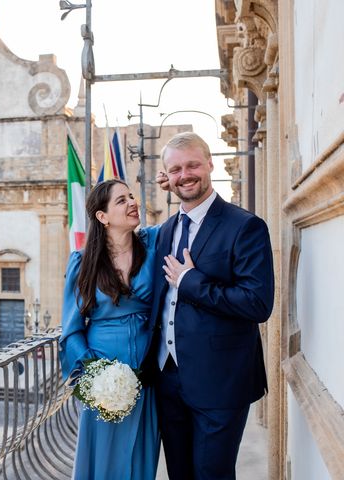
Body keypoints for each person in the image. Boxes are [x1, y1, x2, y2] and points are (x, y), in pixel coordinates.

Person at [151, 132, 274, 479]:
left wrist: (192, 281)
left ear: (210, 164)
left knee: (212, 474)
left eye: (192, 165)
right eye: (175, 169)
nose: (185, 175)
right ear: (166, 176)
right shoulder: (165, 231)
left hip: (221, 381)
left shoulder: (245, 226)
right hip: (168, 378)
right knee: (180, 473)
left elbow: (257, 303)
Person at [60, 179, 160, 480]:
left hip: (147, 375)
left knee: (141, 459)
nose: (133, 203)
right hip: (104, 381)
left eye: (132, 196)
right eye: (121, 200)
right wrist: (94, 372)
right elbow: (71, 330)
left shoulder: (154, 245)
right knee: (101, 461)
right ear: (102, 217)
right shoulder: (82, 263)